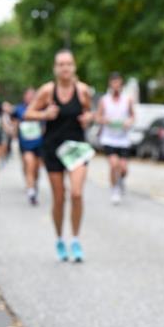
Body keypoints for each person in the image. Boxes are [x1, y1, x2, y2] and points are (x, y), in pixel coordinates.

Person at [26, 49, 93, 262]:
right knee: (59, 198)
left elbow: (89, 112)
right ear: (55, 68)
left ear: (74, 67)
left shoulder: (82, 91)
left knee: (76, 194)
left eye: (69, 64)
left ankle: (75, 239)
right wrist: (44, 114)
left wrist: (88, 118)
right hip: (53, 148)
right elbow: (28, 113)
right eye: (61, 64)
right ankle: (59, 240)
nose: (65, 68)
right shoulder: (47, 91)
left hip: (76, 149)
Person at [95, 71, 135, 204]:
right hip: (109, 138)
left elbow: (133, 116)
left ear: (121, 83)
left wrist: (129, 122)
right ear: (110, 84)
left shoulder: (127, 99)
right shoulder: (104, 100)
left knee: (123, 168)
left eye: (118, 82)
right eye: (113, 82)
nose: (116, 85)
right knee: (113, 165)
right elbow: (98, 117)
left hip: (123, 139)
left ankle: (121, 180)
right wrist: (104, 120)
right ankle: (115, 189)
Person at [13, 87, 44, 205]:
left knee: (36, 168)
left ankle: (34, 184)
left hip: (39, 143)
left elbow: (44, 125)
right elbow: (15, 123)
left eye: (33, 95)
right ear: (24, 96)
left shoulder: (40, 108)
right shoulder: (19, 109)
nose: (30, 97)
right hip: (25, 144)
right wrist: (14, 136)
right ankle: (31, 192)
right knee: (29, 164)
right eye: (28, 95)